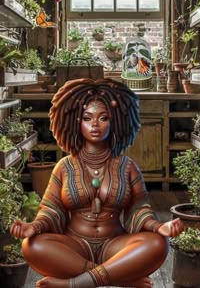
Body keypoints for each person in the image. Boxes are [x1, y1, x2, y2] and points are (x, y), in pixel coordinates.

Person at [10, 78, 184, 288]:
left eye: (103, 118)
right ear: (75, 121)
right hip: (73, 246)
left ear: (116, 121)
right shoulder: (64, 166)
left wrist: (160, 227)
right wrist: (33, 227)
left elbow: (139, 209)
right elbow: (51, 210)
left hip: (115, 244)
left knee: (157, 243)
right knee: (32, 246)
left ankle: (73, 283)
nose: (95, 125)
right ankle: (121, 277)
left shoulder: (127, 166)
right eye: (87, 118)